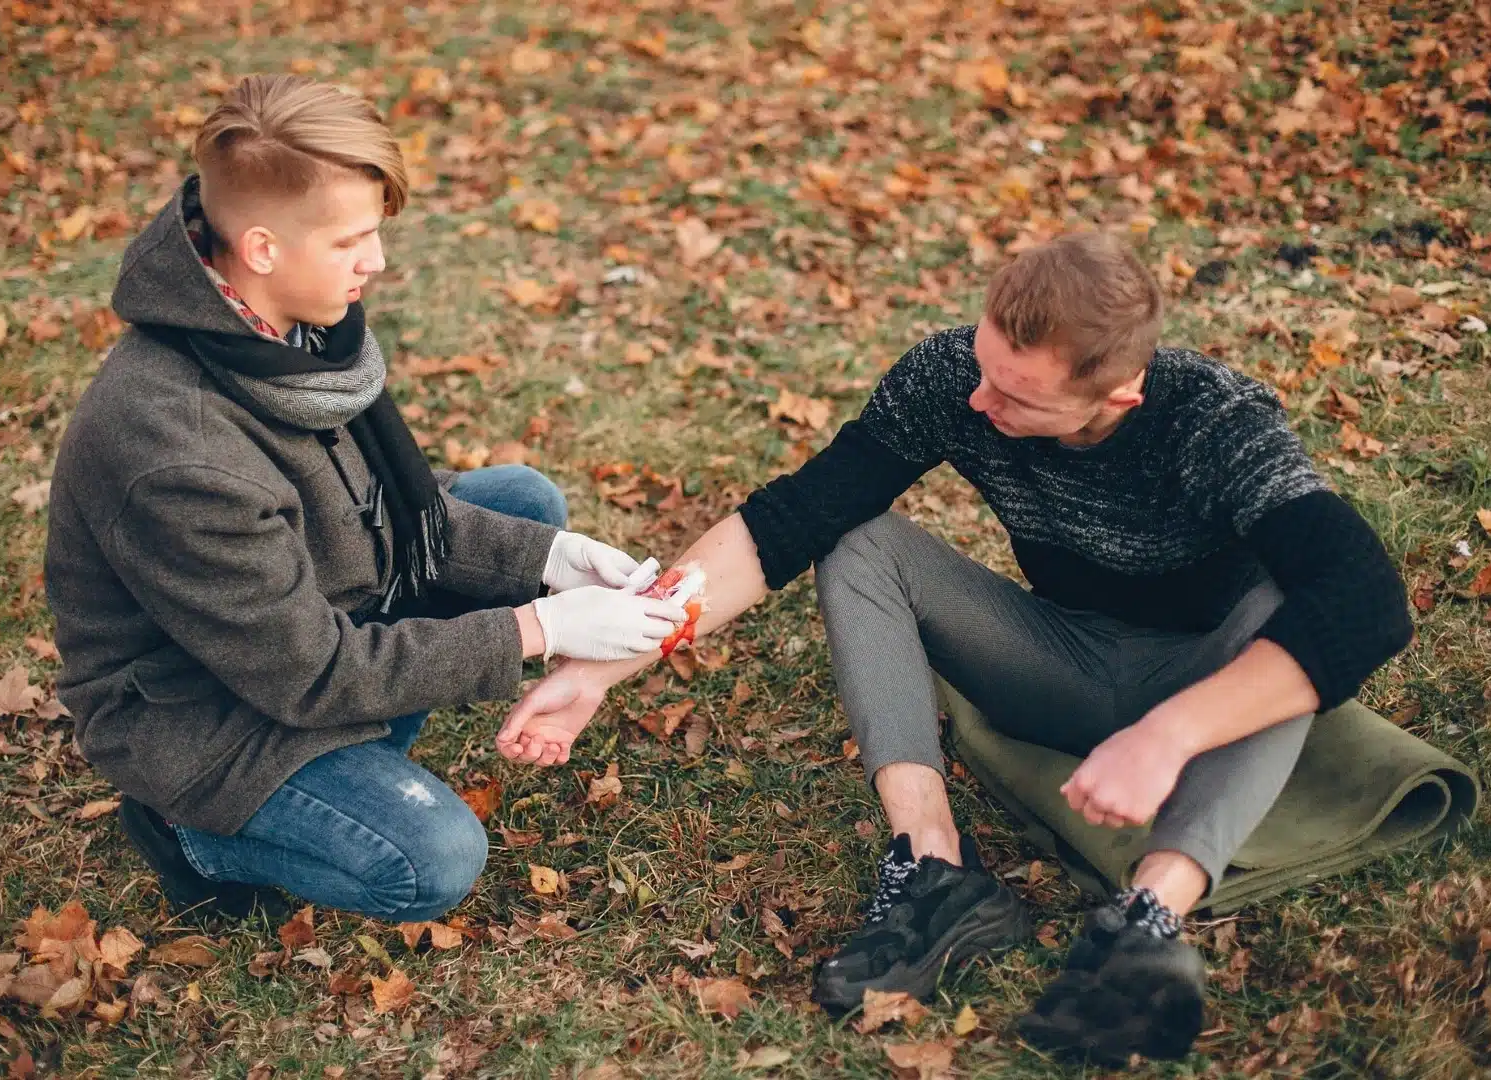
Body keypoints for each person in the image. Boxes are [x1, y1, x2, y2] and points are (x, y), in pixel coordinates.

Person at [493, 231, 1413, 1065]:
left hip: (1209, 673)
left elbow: (1366, 603)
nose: (981, 401)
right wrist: (601, 669)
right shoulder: (950, 381)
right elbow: (790, 519)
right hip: (1062, 657)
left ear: (1119, 393)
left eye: (1016, 395)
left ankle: (1147, 919)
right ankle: (934, 869)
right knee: (858, 538)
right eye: (983, 368)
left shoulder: (1214, 421)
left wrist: (1169, 735)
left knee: (1293, 599)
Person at [44, 74, 688, 925]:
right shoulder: (179, 451)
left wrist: (551, 562)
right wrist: (542, 629)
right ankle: (190, 830)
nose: (375, 262)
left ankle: (360, 751)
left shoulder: (277, 324)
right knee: (431, 860)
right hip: (203, 710)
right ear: (265, 248)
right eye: (352, 241)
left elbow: (382, 503)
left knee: (525, 508)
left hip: (300, 607)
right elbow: (309, 673)